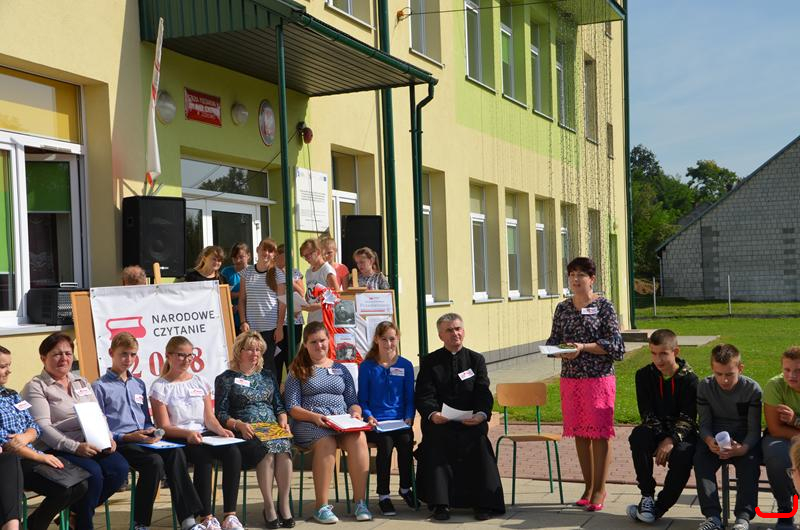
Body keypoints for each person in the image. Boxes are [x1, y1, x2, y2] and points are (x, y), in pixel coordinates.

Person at [92, 332, 206, 530]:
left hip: (143, 439)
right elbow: (99, 426)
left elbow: (145, 418)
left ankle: (188, 520)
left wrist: (152, 430)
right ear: (111, 353)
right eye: (124, 354)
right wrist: (126, 436)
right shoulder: (100, 386)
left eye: (133, 355)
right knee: (154, 463)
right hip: (121, 442)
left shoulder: (138, 384)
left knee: (176, 452)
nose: (128, 359)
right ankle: (141, 523)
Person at [22, 333, 128, 530]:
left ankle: (74, 513)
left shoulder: (81, 382)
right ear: (43, 358)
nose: (64, 358)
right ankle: (83, 524)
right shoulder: (36, 386)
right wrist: (75, 447)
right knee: (93, 474)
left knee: (119, 468)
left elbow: (98, 414)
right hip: (56, 447)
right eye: (57, 354)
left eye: (68, 353)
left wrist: (108, 438)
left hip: (91, 442)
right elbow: (42, 428)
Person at [545, 256, 625, 512]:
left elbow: (616, 345)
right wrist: (562, 351)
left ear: (592, 279)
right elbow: (552, 342)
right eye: (572, 275)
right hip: (571, 379)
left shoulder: (604, 306)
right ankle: (588, 487)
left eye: (581, 275)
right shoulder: (563, 308)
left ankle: (600, 488)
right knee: (580, 432)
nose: (575, 279)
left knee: (599, 433)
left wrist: (583, 347)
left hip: (598, 378)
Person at [414, 313, 505, 521]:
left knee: (479, 442)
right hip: (441, 422)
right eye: (449, 330)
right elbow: (424, 394)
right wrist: (433, 414)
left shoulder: (476, 360)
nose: (455, 333)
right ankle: (440, 504)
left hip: (470, 421)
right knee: (436, 441)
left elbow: (483, 392)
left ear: (463, 331)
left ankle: (483, 503)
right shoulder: (430, 362)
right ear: (440, 336)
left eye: (458, 329)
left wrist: (481, 415)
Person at [149, 336, 245, 530]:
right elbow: (164, 426)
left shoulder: (200, 381)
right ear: (168, 356)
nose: (186, 360)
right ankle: (206, 517)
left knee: (233, 452)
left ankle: (230, 515)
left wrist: (221, 430)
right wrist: (187, 435)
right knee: (203, 456)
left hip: (203, 434)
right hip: (179, 437)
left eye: (190, 356)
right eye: (181, 355)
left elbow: (209, 418)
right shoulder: (160, 387)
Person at [284, 322, 372, 523]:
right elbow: (292, 407)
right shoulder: (297, 370)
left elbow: (353, 401)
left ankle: (360, 502)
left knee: (359, 438)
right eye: (313, 342)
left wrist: (355, 413)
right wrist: (315, 417)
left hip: (341, 422)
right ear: (306, 344)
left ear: (329, 340)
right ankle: (321, 507)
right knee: (327, 442)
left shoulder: (341, 369)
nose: (319, 345)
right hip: (310, 422)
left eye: (322, 340)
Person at [0, 345, 88, 530]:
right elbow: (6, 443)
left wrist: (26, 436)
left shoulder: (12, 395)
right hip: (13, 463)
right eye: (2, 366)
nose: (8, 371)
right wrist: (41, 457)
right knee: (62, 489)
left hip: (31, 455)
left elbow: (34, 425)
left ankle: (32, 525)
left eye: (9, 365)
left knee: (79, 485)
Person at [215, 332, 294, 529]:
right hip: (247, 430)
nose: (255, 353)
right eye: (250, 349)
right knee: (265, 450)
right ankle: (269, 507)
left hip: (272, 428)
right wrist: (238, 425)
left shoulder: (267, 376)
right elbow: (221, 413)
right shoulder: (226, 379)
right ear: (239, 351)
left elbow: (279, 407)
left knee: (284, 447)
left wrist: (283, 421)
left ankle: (284, 505)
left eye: (258, 350)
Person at [627, 329, 698, 524]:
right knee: (639, 435)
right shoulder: (643, 375)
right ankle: (647, 496)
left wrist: (671, 440)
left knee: (684, 454)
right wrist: (661, 440)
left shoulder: (690, 379)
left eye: (663, 354)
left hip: (681, 434)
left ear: (676, 351)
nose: (658, 360)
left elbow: (688, 418)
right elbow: (647, 414)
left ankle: (660, 507)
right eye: (653, 353)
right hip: (655, 430)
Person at [694, 344, 762, 530]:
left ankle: (743, 517)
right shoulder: (705, 387)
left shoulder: (752, 389)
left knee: (750, 462)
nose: (724, 380)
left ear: (740, 368)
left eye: (730, 374)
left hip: (743, 436)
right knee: (701, 460)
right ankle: (712, 517)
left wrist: (743, 448)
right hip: (715, 434)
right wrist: (710, 441)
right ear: (712, 369)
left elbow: (754, 429)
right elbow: (704, 424)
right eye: (718, 374)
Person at [357, 322, 418, 516]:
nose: (388, 343)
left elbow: (410, 397)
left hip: (400, 421)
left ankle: (405, 488)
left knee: (406, 442)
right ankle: (383, 495)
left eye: (392, 339)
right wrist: (369, 416)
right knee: (385, 445)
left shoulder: (405, 365)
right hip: (377, 423)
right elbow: (362, 399)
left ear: (397, 339)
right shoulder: (367, 366)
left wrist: (409, 416)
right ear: (376, 340)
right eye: (384, 339)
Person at [761, 346, 800, 530]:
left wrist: (794, 420)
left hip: (793, 432)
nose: (792, 375)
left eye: (798, 370)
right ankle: (785, 508)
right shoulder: (775, 385)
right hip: (782, 437)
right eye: (787, 369)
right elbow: (775, 429)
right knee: (776, 453)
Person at [238, 238, 283, 378]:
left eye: (271, 251)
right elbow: (242, 299)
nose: (267, 253)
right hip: (251, 329)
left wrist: (279, 327)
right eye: (264, 249)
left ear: (274, 254)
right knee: (250, 365)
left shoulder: (277, 273)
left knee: (268, 366)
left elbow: (283, 303)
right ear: (258, 250)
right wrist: (243, 321)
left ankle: (272, 392)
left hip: (270, 329)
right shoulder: (247, 272)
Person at [275, 244, 304, 386]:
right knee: (277, 358)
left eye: (290, 257)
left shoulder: (295, 272)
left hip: (294, 321)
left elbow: (302, 292)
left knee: (292, 358)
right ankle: (277, 390)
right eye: (285, 256)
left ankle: (292, 389)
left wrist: (289, 278)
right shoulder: (272, 273)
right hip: (276, 322)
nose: (288, 260)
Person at [299, 239, 339, 323]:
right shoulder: (309, 272)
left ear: (317, 252)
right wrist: (303, 302)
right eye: (304, 256)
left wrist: (317, 306)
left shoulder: (327, 270)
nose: (306, 259)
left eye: (308, 255)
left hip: (326, 319)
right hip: (312, 319)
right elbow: (309, 294)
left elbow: (336, 296)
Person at [220, 242, 251, 332]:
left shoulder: (253, 272)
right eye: (234, 257)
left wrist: (240, 303)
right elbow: (222, 294)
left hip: (251, 319)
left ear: (248, 256)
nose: (237, 260)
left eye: (241, 257)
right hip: (232, 319)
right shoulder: (226, 272)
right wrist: (231, 305)